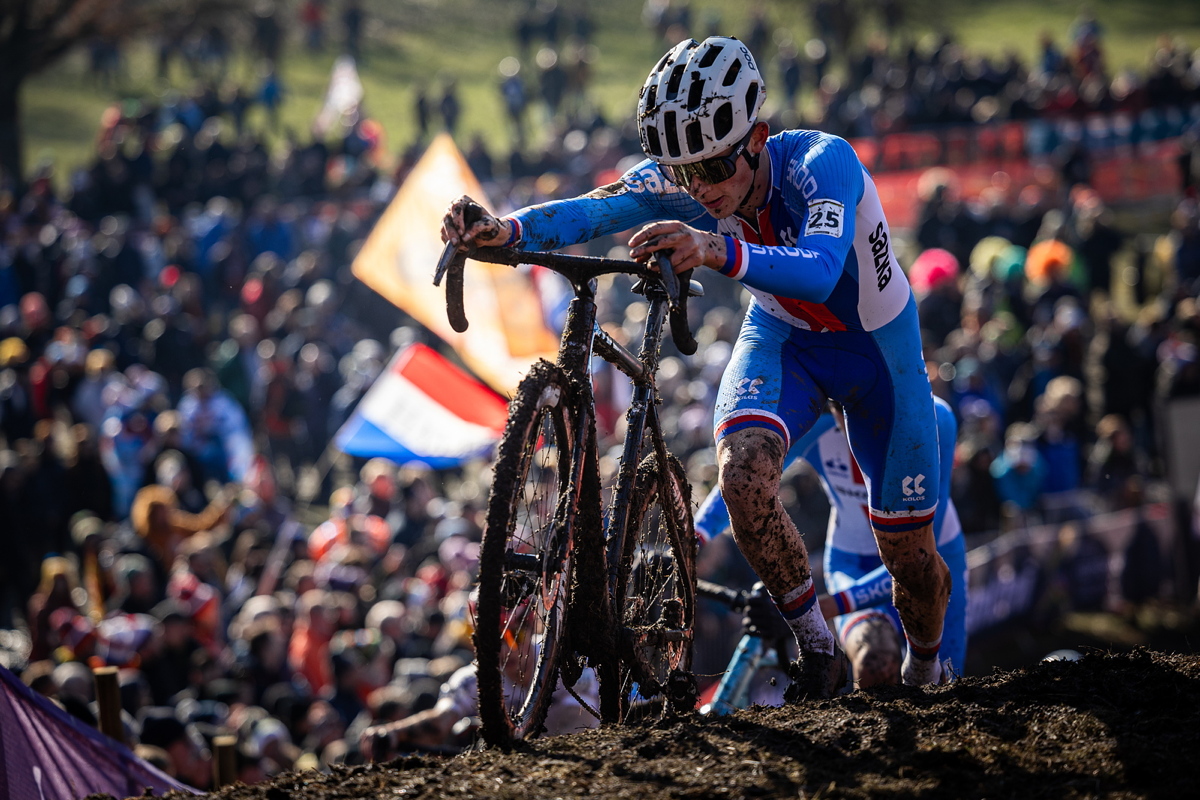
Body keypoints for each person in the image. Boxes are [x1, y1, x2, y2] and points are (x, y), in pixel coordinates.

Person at [441, 36, 949, 694]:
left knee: (910, 562)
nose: (700, 188)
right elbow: (593, 209)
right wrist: (503, 231)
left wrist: (713, 249)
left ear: (757, 137)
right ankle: (817, 648)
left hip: (878, 352)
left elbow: (823, 272)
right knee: (741, 477)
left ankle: (927, 670)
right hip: (786, 339)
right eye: (683, 174)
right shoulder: (692, 181)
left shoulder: (823, 162)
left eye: (711, 166)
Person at [694, 396, 968, 687]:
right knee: (875, 664)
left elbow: (921, 555)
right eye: (840, 407)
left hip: (935, 557)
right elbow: (745, 479)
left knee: (943, 681)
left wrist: (821, 608)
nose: (851, 418)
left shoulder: (935, 417)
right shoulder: (816, 423)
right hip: (854, 561)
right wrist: (694, 537)